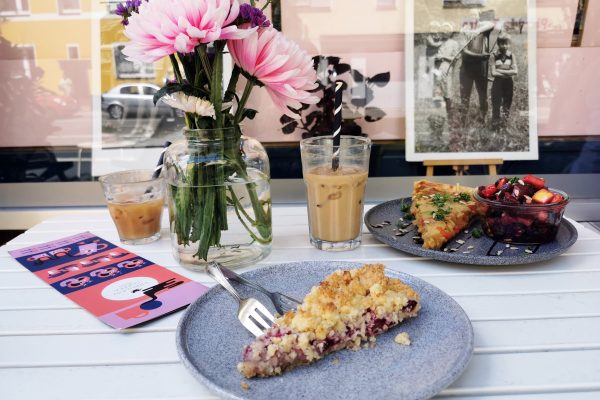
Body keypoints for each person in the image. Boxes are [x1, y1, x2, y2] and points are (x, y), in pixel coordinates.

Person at [458, 20, 495, 127]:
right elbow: (464, 51)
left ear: (478, 17)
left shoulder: (484, 30)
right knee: (464, 97)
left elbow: (492, 24)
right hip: (466, 69)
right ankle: (463, 121)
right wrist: (480, 56)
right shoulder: (464, 31)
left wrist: (477, 30)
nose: (473, 18)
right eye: (471, 15)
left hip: (481, 69)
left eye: (475, 15)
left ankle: (482, 119)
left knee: (482, 96)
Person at [490, 32, 518, 132]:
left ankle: (504, 126)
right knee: (496, 105)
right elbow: (493, 73)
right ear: (498, 43)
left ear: (509, 44)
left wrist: (499, 71)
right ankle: (495, 127)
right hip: (497, 84)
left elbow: (515, 71)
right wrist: (507, 72)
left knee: (507, 104)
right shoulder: (493, 55)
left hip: (508, 84)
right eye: (502, 43)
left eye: (507, 43)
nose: (505, 46)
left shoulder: (511, 55)